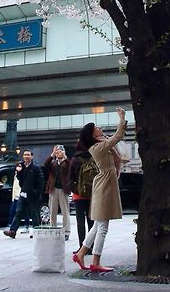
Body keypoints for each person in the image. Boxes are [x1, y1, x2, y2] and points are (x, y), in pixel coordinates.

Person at [72, 107, 127, 272]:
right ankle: (95, 260)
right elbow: (119, 136)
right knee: (103, 225)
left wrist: (108, 143)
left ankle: (81, 254)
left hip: (106, 181)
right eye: (96, 128)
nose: (99, 128)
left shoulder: (102, 145)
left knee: (98, 224)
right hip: (104, 183)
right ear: (93, 135)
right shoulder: (97, 148)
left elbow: (119, 158)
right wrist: (122, 118)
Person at [4, 150, 44, 239]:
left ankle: (36, 231)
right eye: (25, 155)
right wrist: (19, 172)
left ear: (32, 156)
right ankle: (13, 231)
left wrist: (36, 192)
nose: (26, 156)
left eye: (28, 155)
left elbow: (40, 182)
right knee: (18, 212)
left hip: (33, 195)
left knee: (34, 213)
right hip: (23, 193)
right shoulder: (21, 166)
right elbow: (20, 179)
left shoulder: (36, 168)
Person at [68, 136, 95, 254]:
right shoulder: (93, 158)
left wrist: (76, 190)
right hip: (92, 194)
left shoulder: (75, 159)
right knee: (91, 221)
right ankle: (91, 247)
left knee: (80, 221)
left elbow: (69, 179)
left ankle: (81, 247)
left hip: (78, 195)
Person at [44, 144, 71, 240]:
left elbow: (70, 167)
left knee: (65, 211)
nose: (58, 153)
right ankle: (53, 229)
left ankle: (66, 231)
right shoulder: (53, 163)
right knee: (52, 211)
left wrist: (65, 157)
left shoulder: (66, 162)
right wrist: (52, 155)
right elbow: (45, 165)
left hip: (63, 189)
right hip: (53, 188)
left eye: (60, 151)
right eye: (57, 151)